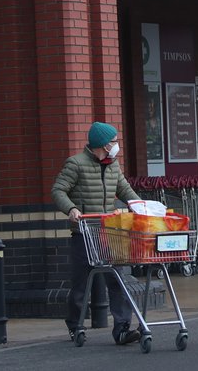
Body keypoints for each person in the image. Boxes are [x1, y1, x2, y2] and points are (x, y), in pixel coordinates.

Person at [52, 121, 143, 344]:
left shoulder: (113, 164)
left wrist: (141, 206)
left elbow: (124, 189)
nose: (117, 145)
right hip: (84, 232)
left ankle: (122, 328)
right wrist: (71, 209)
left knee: (118, 279)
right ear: (103, 144)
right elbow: (58, 190)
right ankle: (75, 325)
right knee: (81, 284)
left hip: (109, 231)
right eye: (114, 142)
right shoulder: (76, 164)